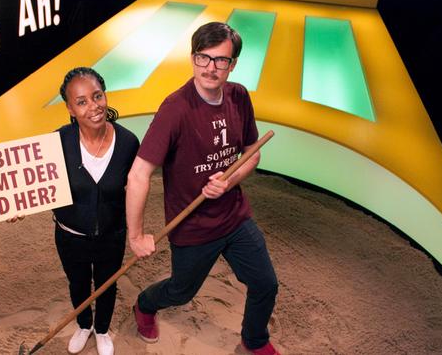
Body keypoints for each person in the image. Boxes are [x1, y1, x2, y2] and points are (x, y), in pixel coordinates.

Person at [126, 22, 280, 355]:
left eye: (221, 60)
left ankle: (254, 340)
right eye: (203, 58)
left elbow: (252, 155)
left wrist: (229, 181)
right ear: (193, 58)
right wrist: (136, 236)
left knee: (265, 284)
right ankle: (143, 305)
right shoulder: (175, 109)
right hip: (192, 226)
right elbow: (139, 174)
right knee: (181, 293)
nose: (210, 68)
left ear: (233, 64)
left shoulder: (238, 96)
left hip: (235, 216)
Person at [53, 67, 139, 355]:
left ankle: (102, 330)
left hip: (111, 235)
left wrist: (136, 232)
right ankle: (83, 325)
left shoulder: (128, 143)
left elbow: (135, 188)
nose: (93, 107)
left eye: (97, 96)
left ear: (104, 95)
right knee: (77, 282)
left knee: (107, 284)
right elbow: (38, 188)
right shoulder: (56, 143)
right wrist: (20, 206)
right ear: (70, 108)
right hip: (69, 235)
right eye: (81, 102)